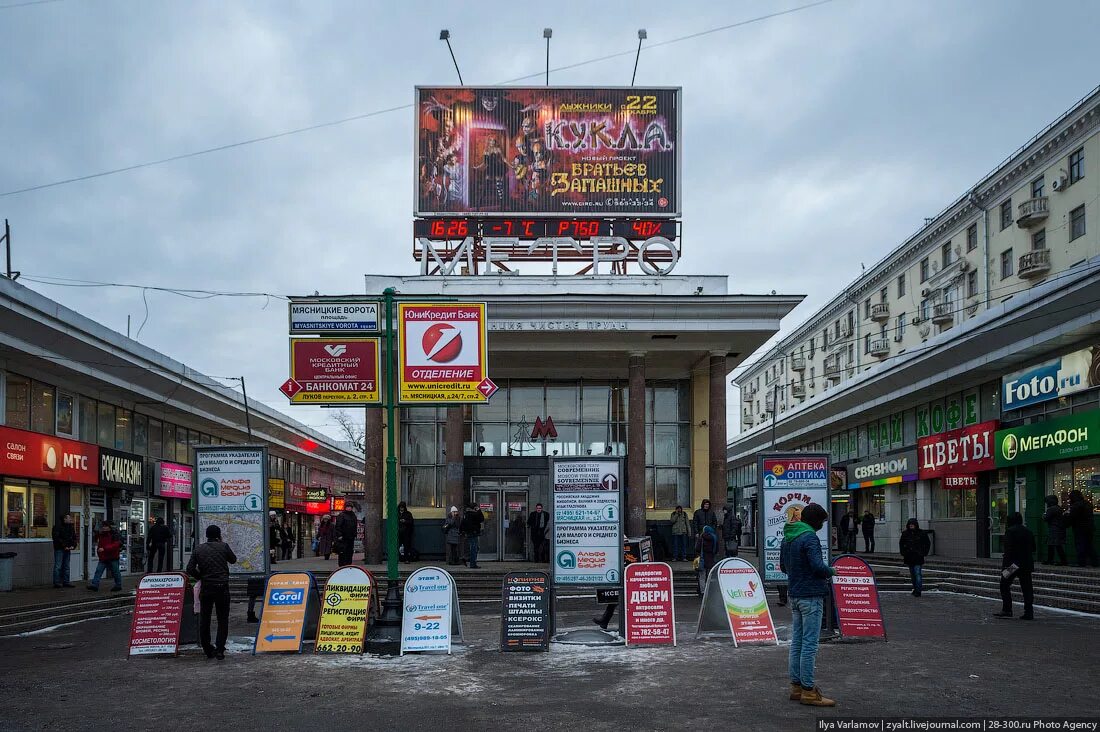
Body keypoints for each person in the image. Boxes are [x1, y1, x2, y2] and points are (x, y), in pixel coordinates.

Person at [779, 502, 836, 707]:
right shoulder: (809, 537)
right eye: (821, 521)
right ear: (816, 521)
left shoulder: (789, 537)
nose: (821, 525)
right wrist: (832, 571)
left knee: (797, 642)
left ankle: (796, 687)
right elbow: (818, 567)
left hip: (794, 594)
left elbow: (783, 567)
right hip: (811, 595)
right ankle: (809, 691)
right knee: (810, 644)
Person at [186, 524, 237, 660]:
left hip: (207, 588)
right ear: (218, 535)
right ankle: (220, 649)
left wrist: (200, 576)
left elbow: (189, 568)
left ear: (207, 536)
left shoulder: (199, 549)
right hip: (222, 587)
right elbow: (233, 560)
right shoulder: (223, 546)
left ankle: (207, 648)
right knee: (222, 619)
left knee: (205, 618)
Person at [994, 512, 1035, 620]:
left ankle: (1007, 609)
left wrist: (1005, 566)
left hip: (1012, 565)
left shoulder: (1010, 531)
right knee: (1027, 588)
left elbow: (1008, 549)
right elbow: (1033, 548)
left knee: (1004, 584)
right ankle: (1029, 612)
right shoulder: (1028, 531)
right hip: (1026, 563)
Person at [899, 518, 930, 597]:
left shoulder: (921, 533)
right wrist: (903, 552)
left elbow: (927, 543)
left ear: (916, 525)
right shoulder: (905, 533)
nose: (911, 525)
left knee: (917, 573)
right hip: (909, 557)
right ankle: (916, 589)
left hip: (918, 557)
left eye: (912, 524)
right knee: (913, 575)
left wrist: (923, 552)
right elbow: (901, 544)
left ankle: (918, 591)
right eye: (910, 524)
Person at [87, 522, 123, 592]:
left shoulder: (114, 535)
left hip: (112, 556)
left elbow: (115, 545)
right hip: (104, 557)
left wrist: (104, 549)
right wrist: (100, 553)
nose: (104, 528)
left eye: (105, 526)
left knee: (115, 571)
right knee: (98, 571)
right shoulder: (101, 535)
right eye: (103, 526)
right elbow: (100, 545)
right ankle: (95, 585)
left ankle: (118, 585)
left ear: (109, 527)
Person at [1068, 490, 1099, 567]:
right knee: (1089, 545)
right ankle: (1094, 562)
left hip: (1079, 527)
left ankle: (1081, 562)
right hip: (1089, 527)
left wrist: (1066, 518)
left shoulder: (1076, 505)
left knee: (1080, 545)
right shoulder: (1087, 503)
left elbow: (1072, 517)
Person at [51, 513, 77, 588]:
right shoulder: (57, 527)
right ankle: (56, 582)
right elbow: (56, 538)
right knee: (58, 566)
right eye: (69, 518)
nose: (71, 519)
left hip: (67, 549)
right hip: (59, 549)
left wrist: (73, 545)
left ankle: (66, 582)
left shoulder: (71, 527)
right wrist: (64, 546)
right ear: (64, 519)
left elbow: (74, 537)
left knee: (66, 566)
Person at [1042, 495, 1068, 566]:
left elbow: (1045, 518)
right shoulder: (1059, 508)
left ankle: (1060, 561)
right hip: (1059, 529)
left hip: (1054, 529)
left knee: (1055, 545)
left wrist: (1044, 515)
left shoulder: (1051, 509)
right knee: (1054, 545)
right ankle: (1052, 560)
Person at [696, 524, 720, 595]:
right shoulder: (715, 538)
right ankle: (709, 590)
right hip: (711, 559)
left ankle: (702, 591)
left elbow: (697, 548)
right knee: (710, 575)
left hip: (703, 560)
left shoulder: (701, 538)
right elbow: (716, 550)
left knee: (702, 576)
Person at [460, 501, 484, 568]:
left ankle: (466, 557)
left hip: (468, 533)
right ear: (475, 508)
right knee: (474, 548)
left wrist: (462, 531)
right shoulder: (474, 514)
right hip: (474, 533)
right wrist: (479, 510)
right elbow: (482, 519)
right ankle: (472, 564)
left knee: (474, 547)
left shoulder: (466, 515)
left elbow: (462, 523)